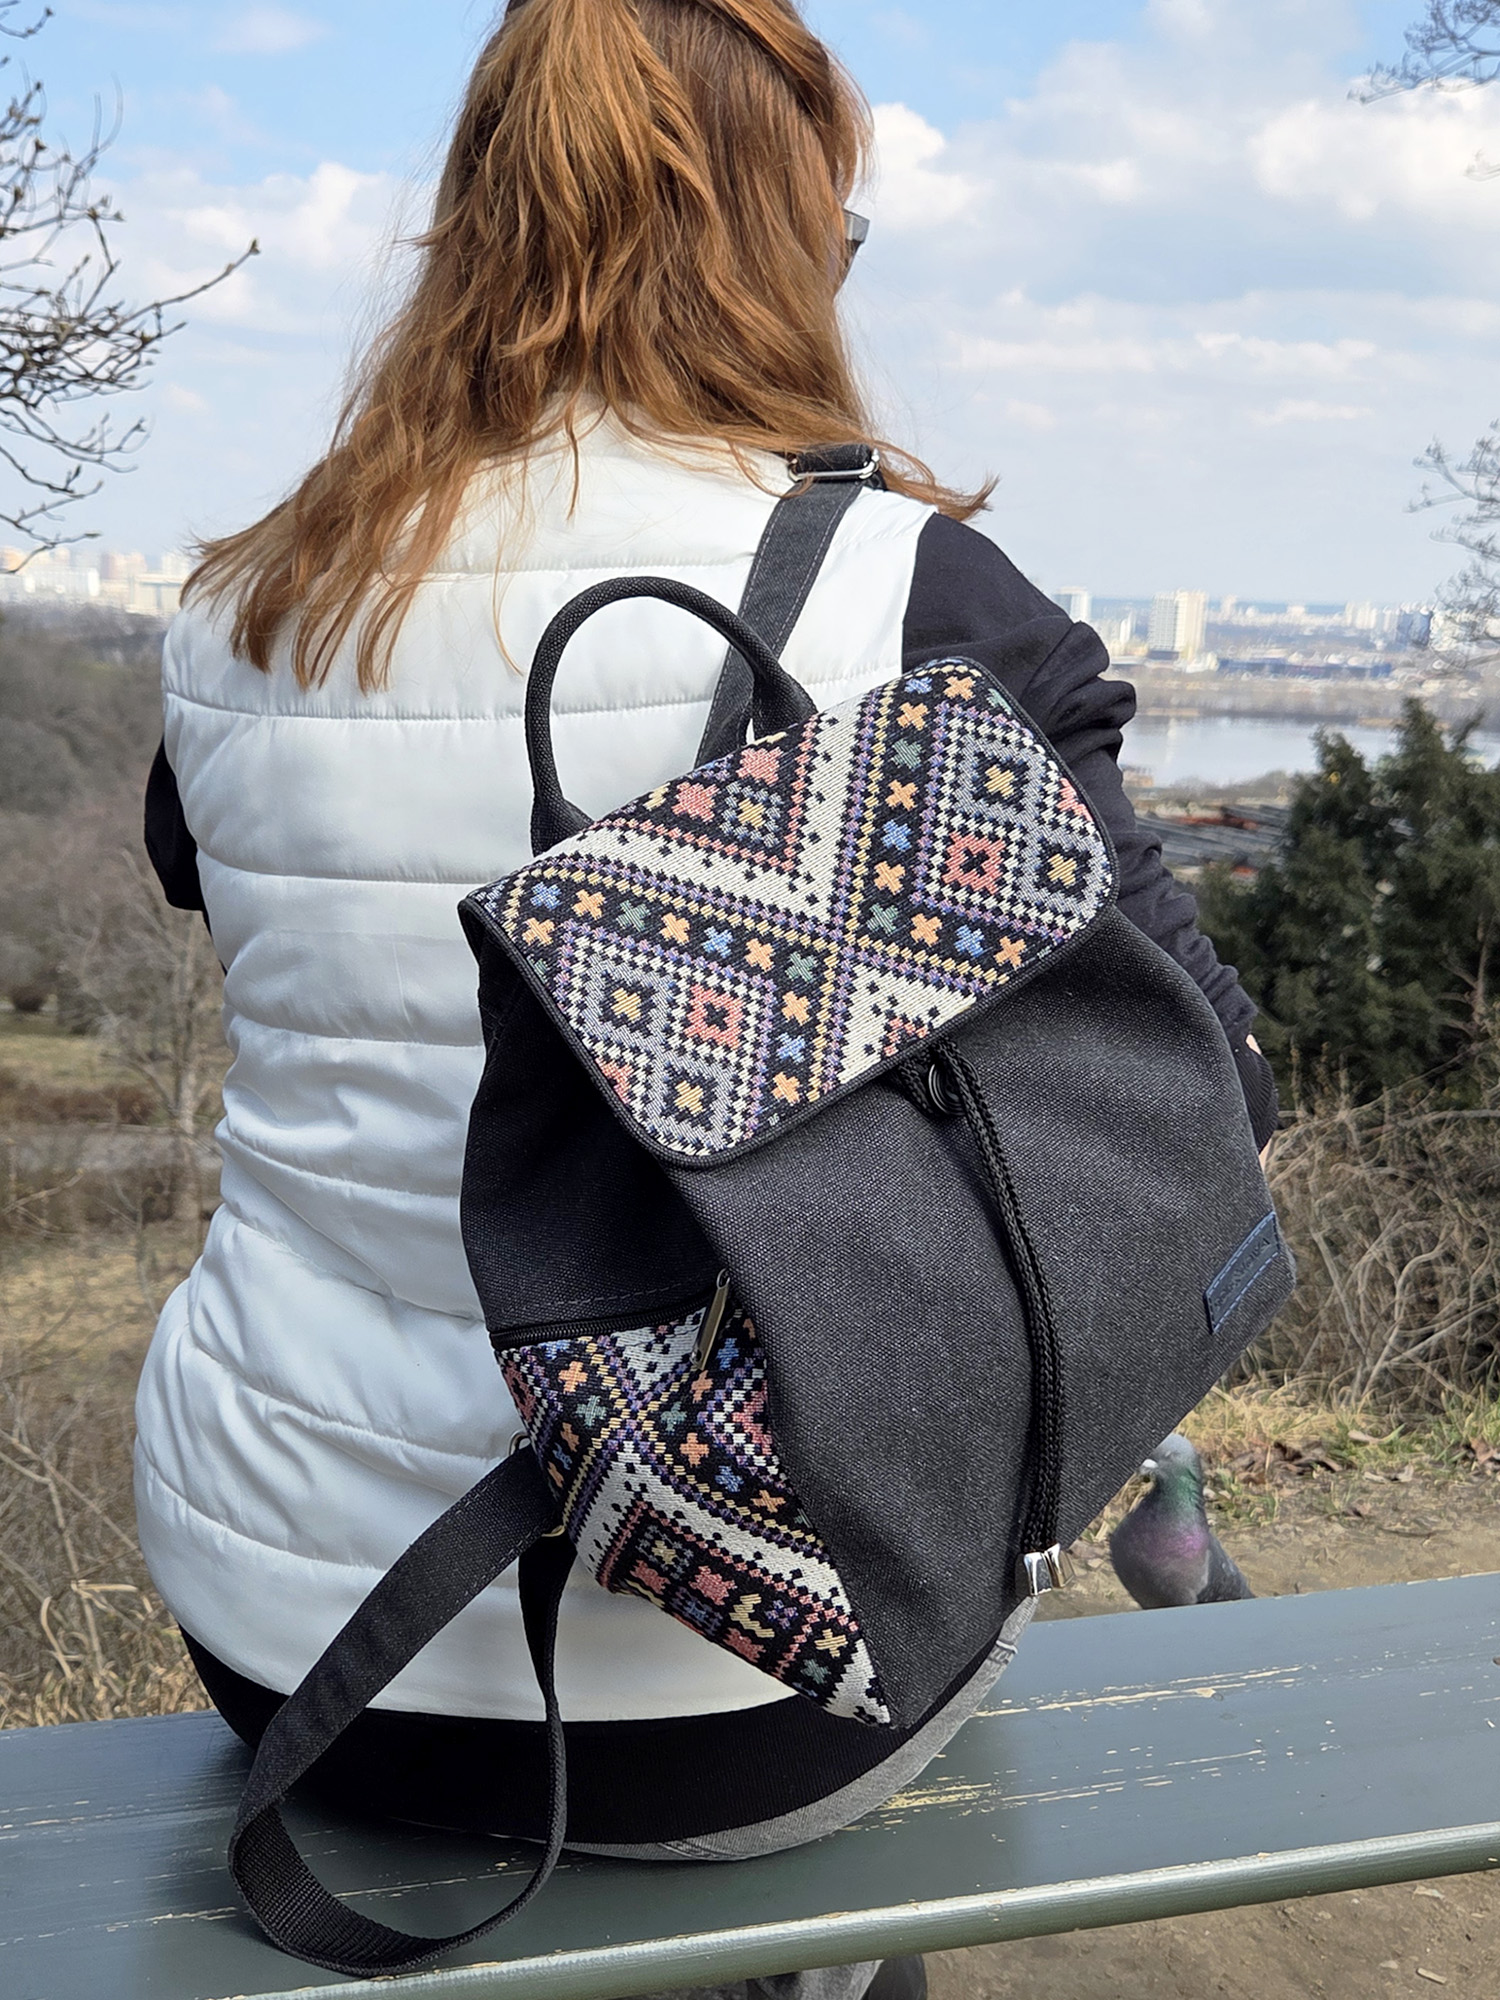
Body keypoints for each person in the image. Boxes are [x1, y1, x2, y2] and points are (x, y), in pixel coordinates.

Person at [138, 0, 1277, 1989]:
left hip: (291, 1631)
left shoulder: (252, 600)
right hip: (739, 1683)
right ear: (788, 240)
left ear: (472, 229)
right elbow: (1203, 1085)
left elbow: (244, 915)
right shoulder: (900, 593)